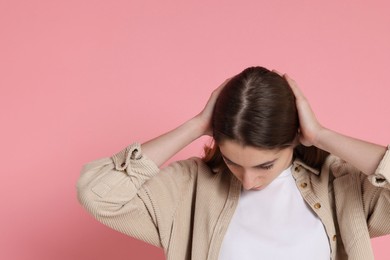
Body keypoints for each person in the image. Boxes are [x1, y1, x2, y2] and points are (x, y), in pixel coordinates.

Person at [77, 67, 390, 260]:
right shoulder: (189, 189)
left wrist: (322, 135)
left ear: (296, 138)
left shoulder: (341, 186)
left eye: (264, 166)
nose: (248, 181)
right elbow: (97, 194)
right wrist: (196, 125)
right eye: (232, 162)